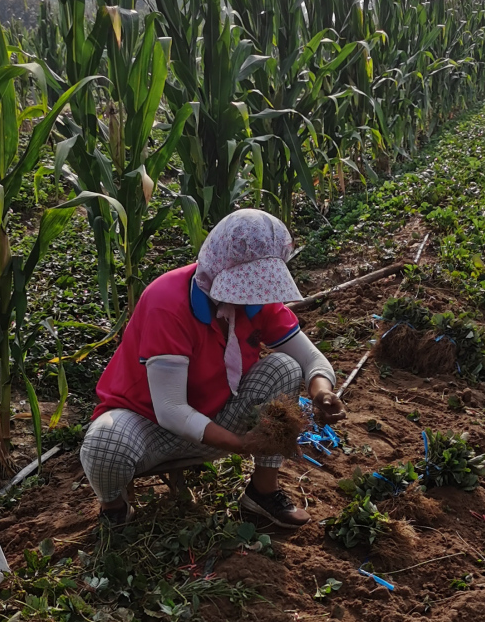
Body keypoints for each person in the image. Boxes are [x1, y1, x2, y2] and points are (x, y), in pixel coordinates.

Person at [80, 209, 343, 529]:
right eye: (244, 283)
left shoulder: (259, 298)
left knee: (284, 368)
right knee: (105, 444)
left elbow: (310, 360)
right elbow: (170, 409)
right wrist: (239, 445)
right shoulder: (168, 301)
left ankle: (262, 493)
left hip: (215, 414)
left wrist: (322, 392)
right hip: (148, 426)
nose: (251, 295)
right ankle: (115, 507)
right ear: (217, 266)